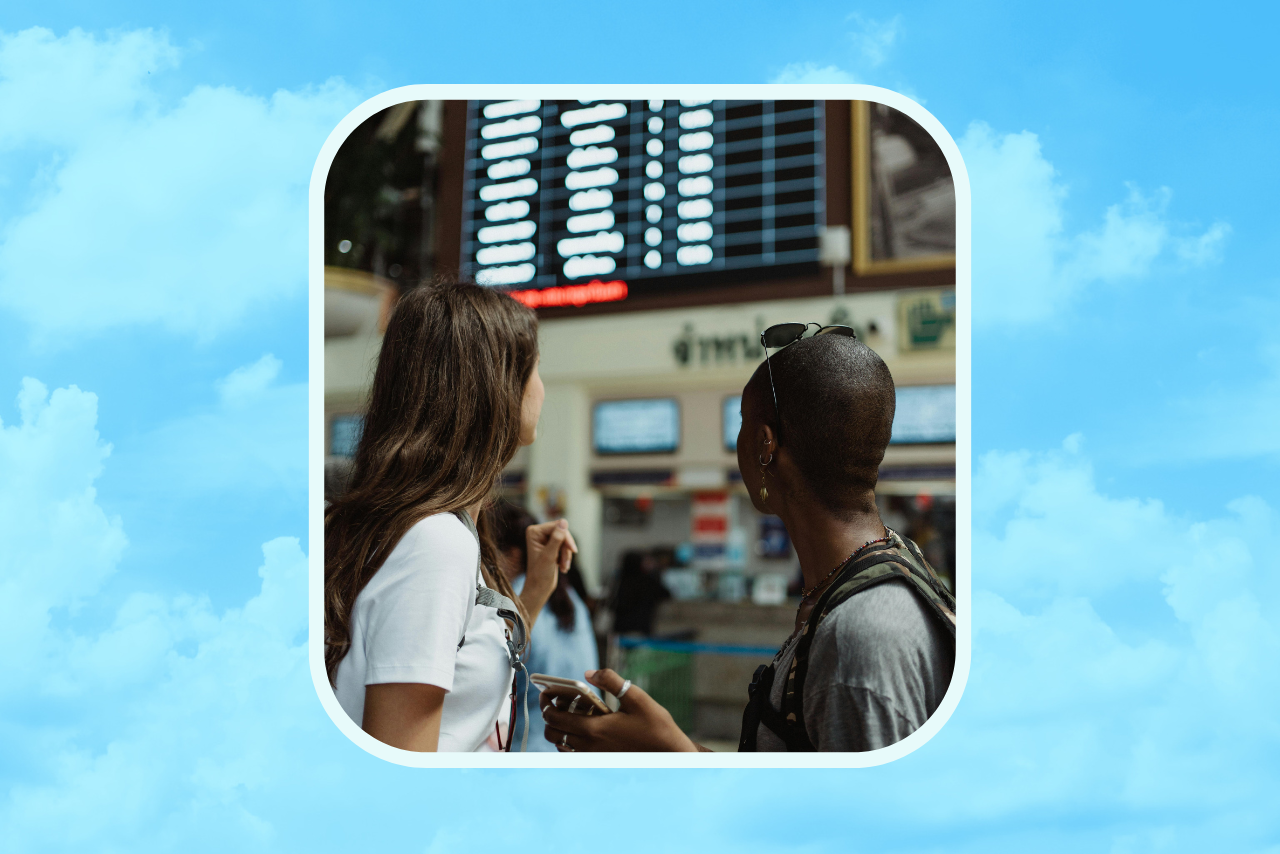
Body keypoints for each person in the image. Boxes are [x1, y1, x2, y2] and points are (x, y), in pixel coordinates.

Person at [541, 328, 956, 752]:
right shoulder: (886, 571)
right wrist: (668, 747)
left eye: (743, 424)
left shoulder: (859, 639)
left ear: (764, 445)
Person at [324, 280, 577, 752]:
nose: (541, 388)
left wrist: (536, 590)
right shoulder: (435, 542)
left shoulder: (418, 525)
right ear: (497, 386)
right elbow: (404, 763)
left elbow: (460, 664)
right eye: (536, 369)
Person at [486, 499, 600, 752]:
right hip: (580, 744)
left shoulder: (514, 600)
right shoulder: (569, 598)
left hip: (535, 746)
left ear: (512, 555)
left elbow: (491, 674)